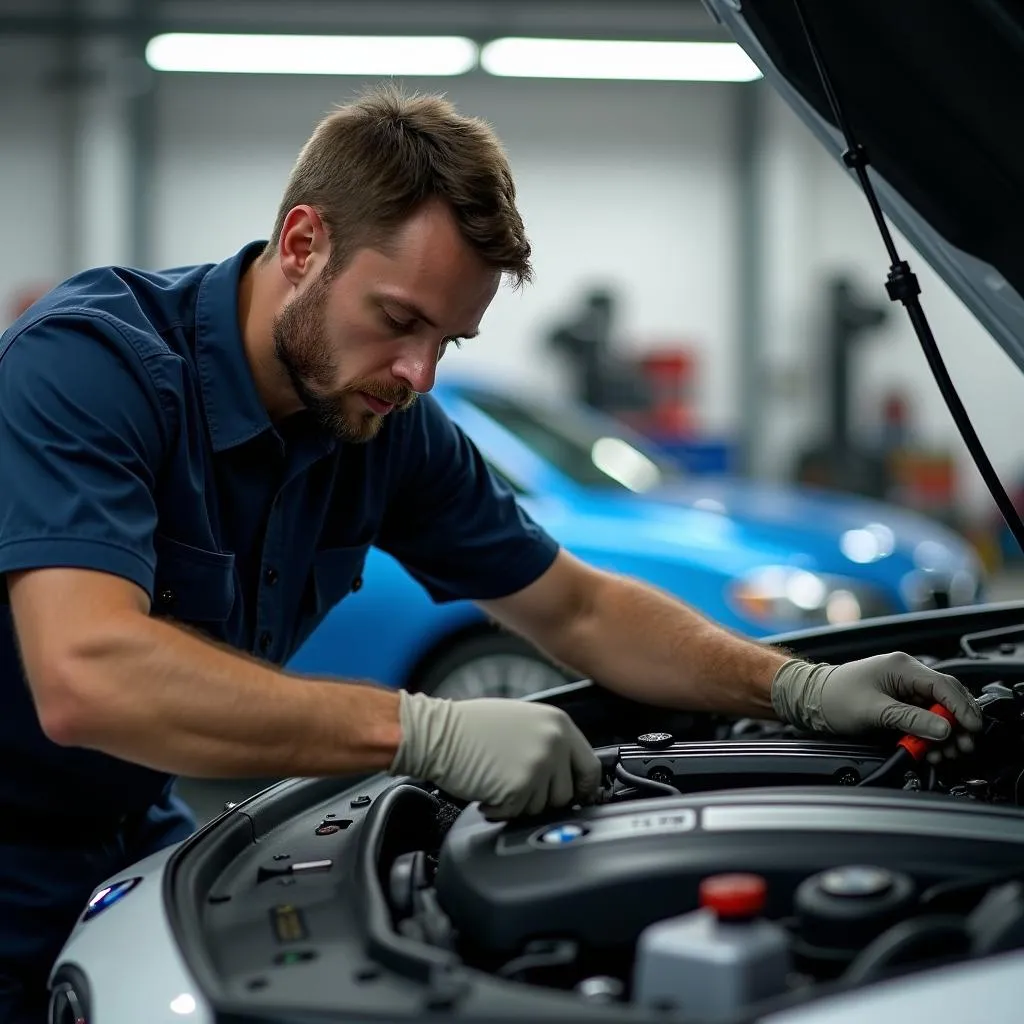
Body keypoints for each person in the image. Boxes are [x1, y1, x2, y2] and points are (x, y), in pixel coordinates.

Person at [0, 85, 979, 1022]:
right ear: (304, 243)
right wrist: (427, 732)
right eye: (398, 320)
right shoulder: (93, 367)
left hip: (126, 839)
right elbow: (89, 676)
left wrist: (799, 686)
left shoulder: (382, 426)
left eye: (448, 341)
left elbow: (578, 608)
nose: (417, 373)